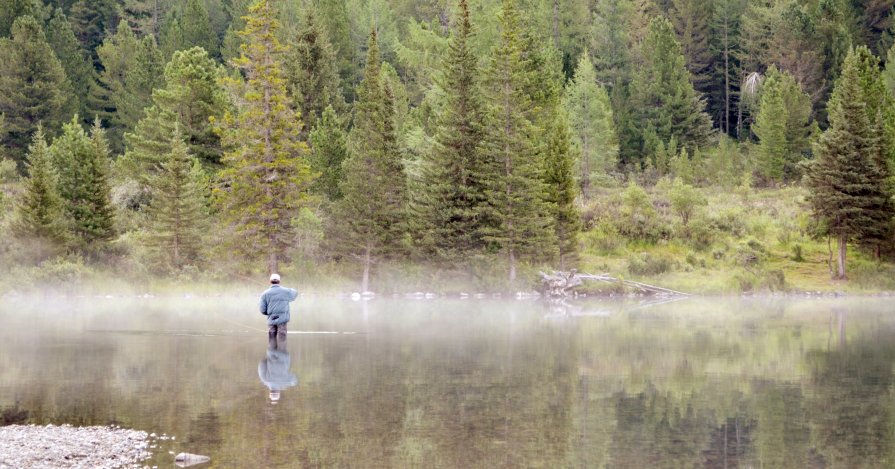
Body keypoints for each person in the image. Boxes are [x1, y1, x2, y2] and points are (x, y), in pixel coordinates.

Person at [259, 273, 298, 338]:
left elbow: (262, 310)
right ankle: (282, 348)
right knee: (282, 337)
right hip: (283, 319)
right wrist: (287, 290)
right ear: (279, 281)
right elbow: (295, 292)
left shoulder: (264, 293)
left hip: (271, 318)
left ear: (270, 281)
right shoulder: (286, 291)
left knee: (272, 337)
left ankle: (272, 347)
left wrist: (269, 313)